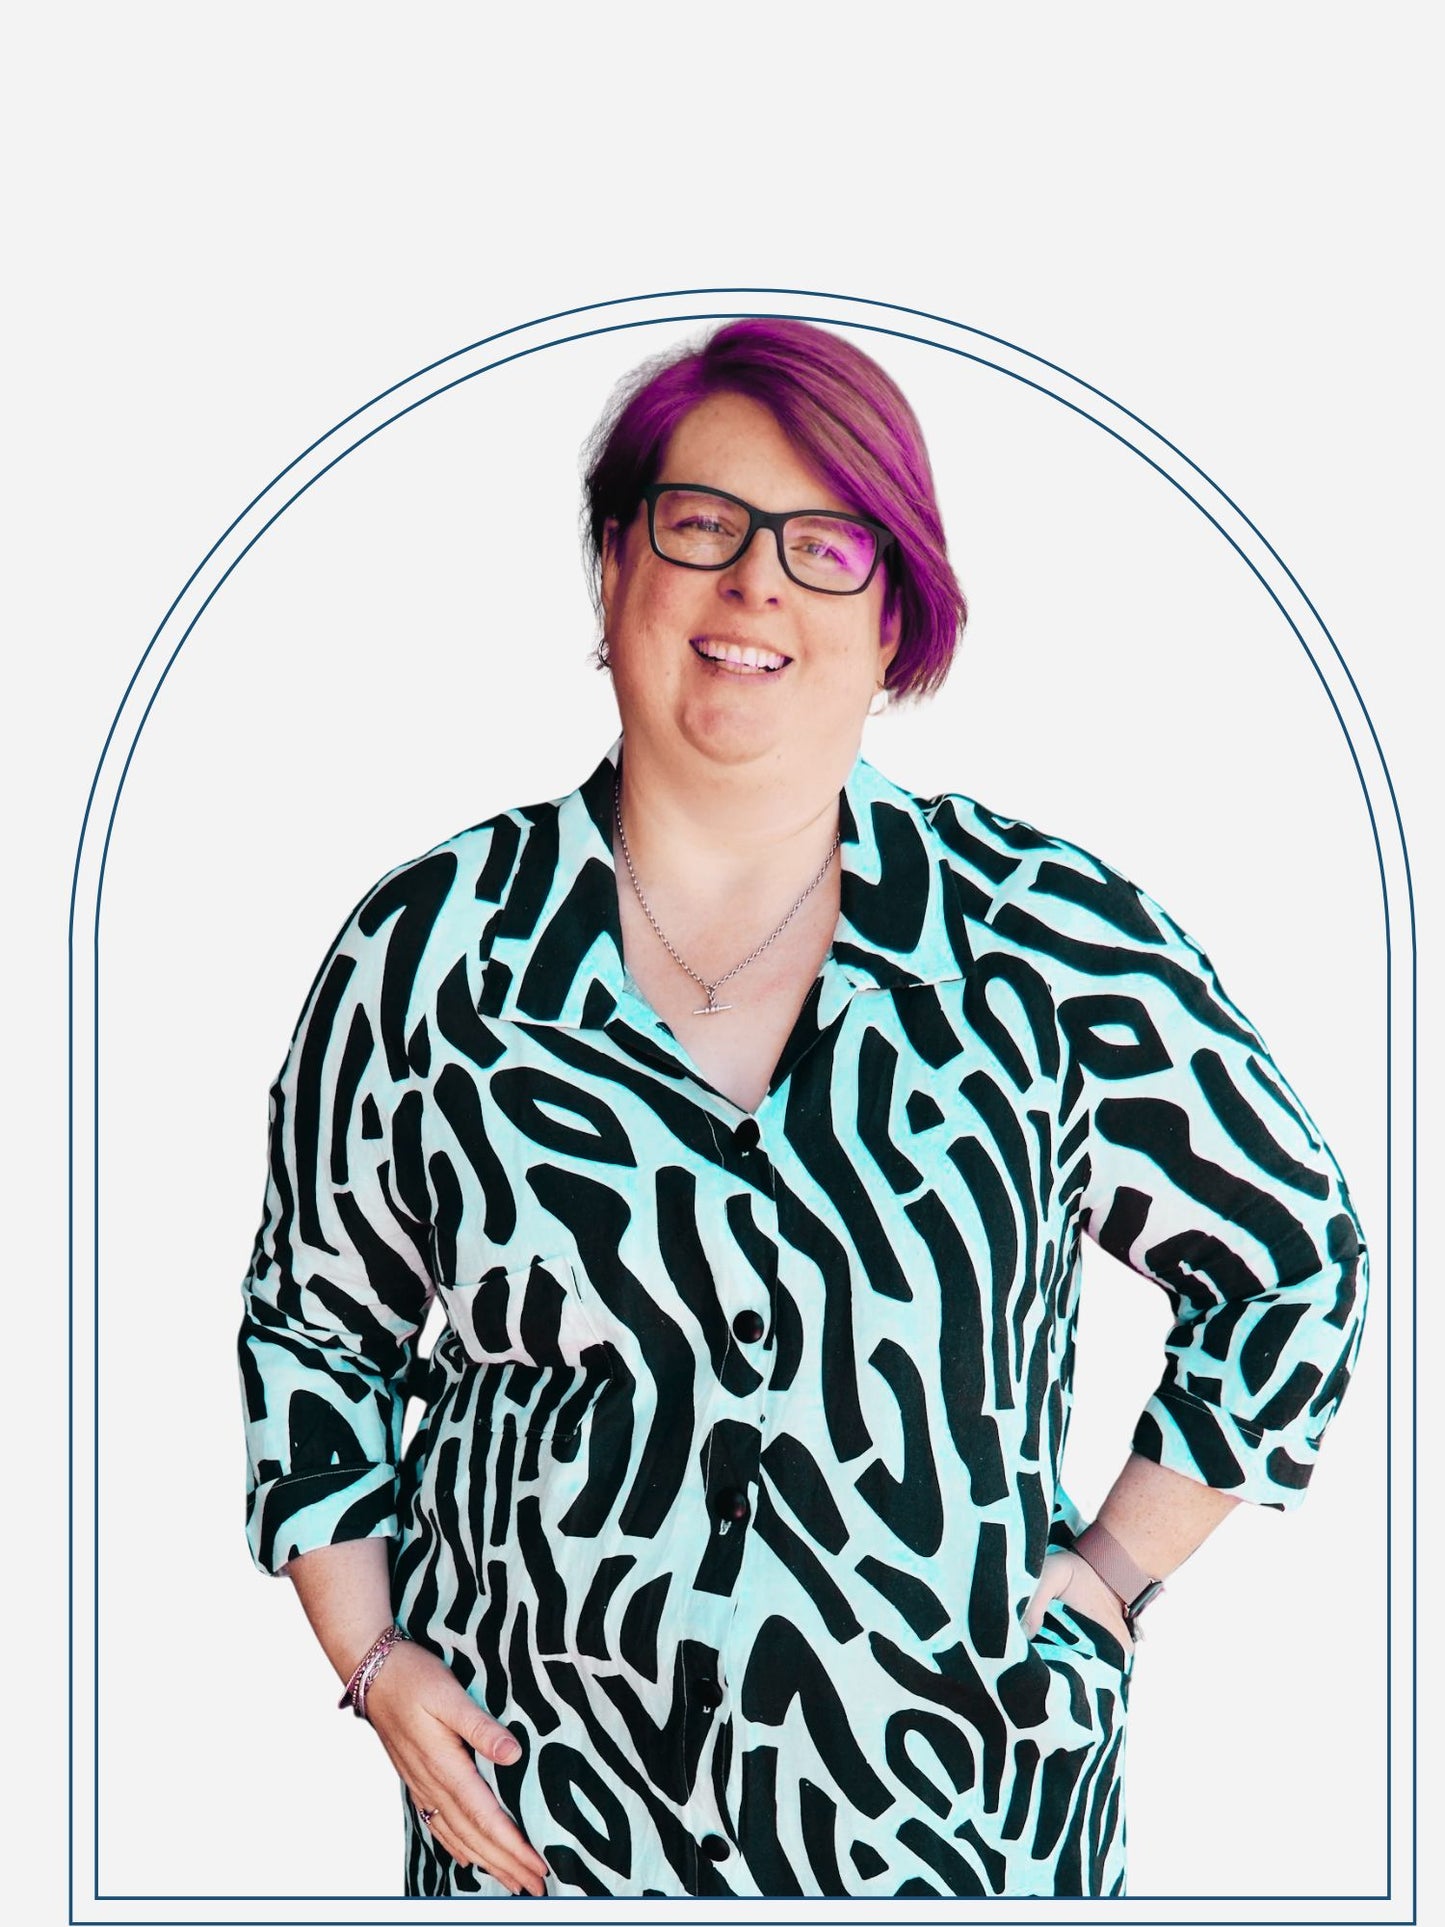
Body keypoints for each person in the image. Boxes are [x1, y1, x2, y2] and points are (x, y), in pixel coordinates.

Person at [238, 318, 1368, 1899]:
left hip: (961, 1832)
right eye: (702, 526)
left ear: (896, 605)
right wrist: (369, 1664)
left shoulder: (1039, 938)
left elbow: (1291, 1253)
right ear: (615, 566)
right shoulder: (432, 948)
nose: (754, 586)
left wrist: (1113, 1576)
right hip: (553, 1843)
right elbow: (313, 1329)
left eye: (823, 544)